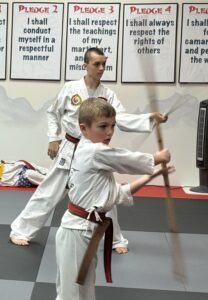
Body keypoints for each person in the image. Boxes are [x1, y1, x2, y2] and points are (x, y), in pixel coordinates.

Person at [10, 47, 167, 252]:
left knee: (106, 193)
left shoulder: (108, 94)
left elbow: (121, 118)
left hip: (96, 150)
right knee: (48, 192)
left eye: (104, 64)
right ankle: (21, 230)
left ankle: (115, 239)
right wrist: (53, 138)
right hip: (70, 147)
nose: (101, 68)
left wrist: (149, 118)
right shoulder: (70, 88)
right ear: (85, 66)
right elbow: (52, 113)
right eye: (97, 64)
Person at [55, 98, 174, 300]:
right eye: (103, 126)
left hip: (85, 232)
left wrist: (150, 175)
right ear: (83, 128)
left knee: (82, 292)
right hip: (76, 232)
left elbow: (117, 194)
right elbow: (123, 158)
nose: (109, 132)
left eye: (112, 126)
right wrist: (155, 158)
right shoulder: (94, 151)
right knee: (71, 295)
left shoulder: (89, 151)